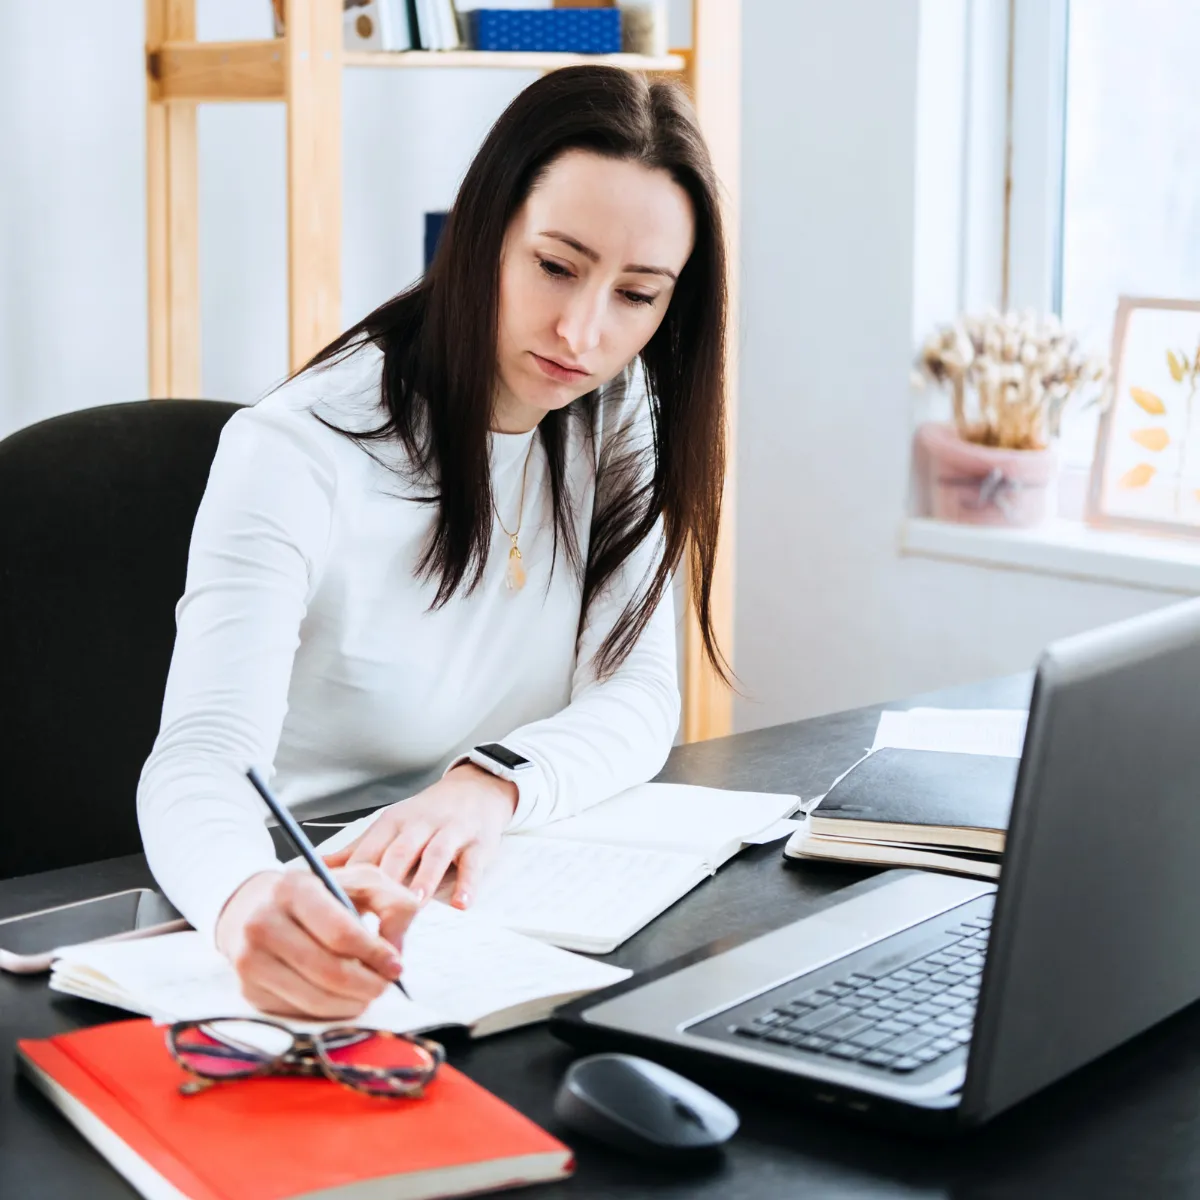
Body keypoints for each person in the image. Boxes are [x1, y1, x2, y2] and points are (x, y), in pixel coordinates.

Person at [137, 65, 730, 1021]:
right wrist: (244, 900)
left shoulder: (615, 414)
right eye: (555, 265)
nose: (583, 331)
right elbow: (201, 756)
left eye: (638, 294)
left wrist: (484, 788)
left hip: (496, 880)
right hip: (315, 883)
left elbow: (638, 694)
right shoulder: (297, 448)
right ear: (483, 231)